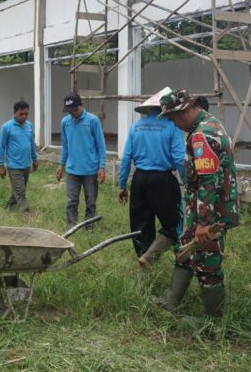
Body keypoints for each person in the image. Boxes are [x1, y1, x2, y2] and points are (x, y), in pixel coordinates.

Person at [156, 88, 240, 319]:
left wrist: (203, 223)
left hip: (210, 214)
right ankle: (170, 301)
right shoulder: (211, 124)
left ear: (184, 111)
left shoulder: (201, 136)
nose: (173, 124)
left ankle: (212, 321)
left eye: (173, 118)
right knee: (185, 250)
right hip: (201, 210)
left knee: (207, 262)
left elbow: (208, 182)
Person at [117, 88, 185, 268]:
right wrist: (188, 182)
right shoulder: (173, 126)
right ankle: (154, 257)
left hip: (139, 180)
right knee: (174, 224)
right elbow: (179, 159)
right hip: (163, 180)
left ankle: (144, 262)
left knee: (141, 225)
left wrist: (122, 185)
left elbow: (126, 159)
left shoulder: (135, 127)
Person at [55, 92, 106, 227]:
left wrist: (102, 167)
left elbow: (100, 145)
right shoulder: (65, 122)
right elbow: (65, 145)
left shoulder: (93, 121)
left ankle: (89, 227)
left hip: (90, 170)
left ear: (81, 105)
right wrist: (61, 165)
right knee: (71, 201)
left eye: (74, 110)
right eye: (69, 111)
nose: (72, 114)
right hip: (72, 170)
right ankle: (71, 227)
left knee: (90, 201)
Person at [0, 100, 38, 213]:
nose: (24, 116)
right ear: (15, 113)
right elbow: (1, 147)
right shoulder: (7, 127)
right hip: (14, 165)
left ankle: (9, 207)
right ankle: (25, 212)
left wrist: (34, 159)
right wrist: (1, 165)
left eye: (26, 114)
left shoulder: (29, 126)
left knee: (19, 189)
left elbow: (31, 144)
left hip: (26, 164)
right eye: (21, 114)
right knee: (20, 191)